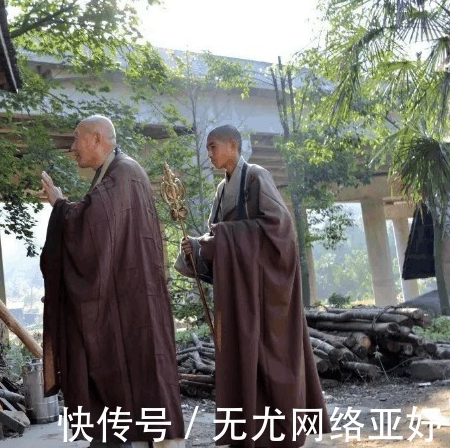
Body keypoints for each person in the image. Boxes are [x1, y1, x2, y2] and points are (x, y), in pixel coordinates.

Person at [174, 125, 329, 447]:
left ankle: (280, 434)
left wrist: (225, 237)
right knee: (240, 358)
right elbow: (219, 240)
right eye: (208, 148)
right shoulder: (221, 190)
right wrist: (198, 247)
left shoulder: (256, 177)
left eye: (213, 146)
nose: (210, 154)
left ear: (233, 145)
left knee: (268, 356)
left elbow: (280, 229)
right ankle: (247, 434)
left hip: (264, 292)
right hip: (236, 292)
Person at [40, 115, 185, 448]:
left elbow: (92, 228)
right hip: (123, 296)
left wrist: (60, 205)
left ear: (96, 139)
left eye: (77, 139)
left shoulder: (125, 173)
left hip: (133, 300)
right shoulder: (112, 175)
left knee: (138, 372)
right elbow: (96, 227)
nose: (73, 147)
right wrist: (63, 207)